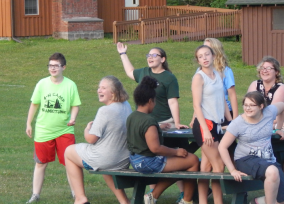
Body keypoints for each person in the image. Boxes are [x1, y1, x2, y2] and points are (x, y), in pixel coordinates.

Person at [117, 42, 189, 200]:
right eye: (148, 55)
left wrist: (176, 123)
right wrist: (123, 54)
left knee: (176, 155)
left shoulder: (169, 77)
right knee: (150, 153)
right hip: (145, 123)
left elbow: (173, 101)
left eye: (154, 55)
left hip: (165, 122)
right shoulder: (144, 72)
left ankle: (183, 193)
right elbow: (130, 72)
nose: (150, 58)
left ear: (162, 59)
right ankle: (152, 194)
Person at [126, 76, 200, 204]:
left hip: (135, 160)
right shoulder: (149, 120)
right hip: (148, 162)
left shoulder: (132, 116)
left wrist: (157, 127)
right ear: (150, 101)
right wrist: (176, 152)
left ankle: (154, 196)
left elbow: (141, 131)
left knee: (185, 162)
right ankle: (186, 200)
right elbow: (156, 148)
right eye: (154, 101)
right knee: (192, 160)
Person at [64, 76, 132, 204]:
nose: (99, 90)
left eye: (103, 88)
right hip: (123, 159)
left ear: (113, 92)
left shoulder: (105, 110)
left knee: (68, 152)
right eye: (99, 87)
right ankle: (124, 201)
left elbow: (91, 139)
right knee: (106, 161)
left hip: (107, 159)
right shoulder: (126, 105)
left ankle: (80, 198)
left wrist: (86, 129)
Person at [218, 91, 284, 204]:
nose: (248, 108)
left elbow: (283, 106)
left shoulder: (269, 112)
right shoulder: (238, 123)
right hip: (246, 159)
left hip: (268, 160)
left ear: (261, 106)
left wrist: (278, 128)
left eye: (252, 105)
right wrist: (232, 170)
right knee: (272, 171)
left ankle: (257, 202)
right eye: (245, 105)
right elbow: (222, 147)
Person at [25, 53, 81, 203]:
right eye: (50, 65)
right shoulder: (42, 84)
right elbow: (34, 104)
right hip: (44, 130)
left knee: (70, 163)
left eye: (56, 66)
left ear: (63, 67)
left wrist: (73, 117)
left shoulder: (70, 85)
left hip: (65, 130)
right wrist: (28, 123)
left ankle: (77, 194)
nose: (52, 68)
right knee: (40, 163)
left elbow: (75, 105)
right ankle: (35, 195)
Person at [191, 45, 232, 204]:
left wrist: (231, 121)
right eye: (200, 56)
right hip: (204, 125)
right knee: (219, 164)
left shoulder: (218, 74)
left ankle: (202, 201)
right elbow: (196, 106)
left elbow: (223, 99)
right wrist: (206, 132)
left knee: (206, 166)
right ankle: (218, 201)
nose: (204, 58)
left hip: (218, 124)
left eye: (207, 54)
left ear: (213, 56)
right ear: (198, 60)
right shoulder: (199, 77)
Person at [247, 56, 284, 130]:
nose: (265, 71)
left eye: (269, 68)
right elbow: (249, 108)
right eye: (262, 68)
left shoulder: (282, 88)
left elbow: (271, 113)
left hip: (275, 127)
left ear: (276, 72)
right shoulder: (255, 84)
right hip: (254, 124)